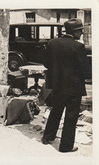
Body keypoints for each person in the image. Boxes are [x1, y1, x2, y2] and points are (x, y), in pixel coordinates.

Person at [41, 18, 91, 152]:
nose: (81, 34)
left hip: (57, 85)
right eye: (80, 31)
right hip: (74, 88)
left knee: (56, 111)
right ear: (74, 32)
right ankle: (66, 146)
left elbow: (46, 64)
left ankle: (48, 137)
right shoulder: (78, 47)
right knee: (71, 116)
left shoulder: (52, 43)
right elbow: (86, 71)